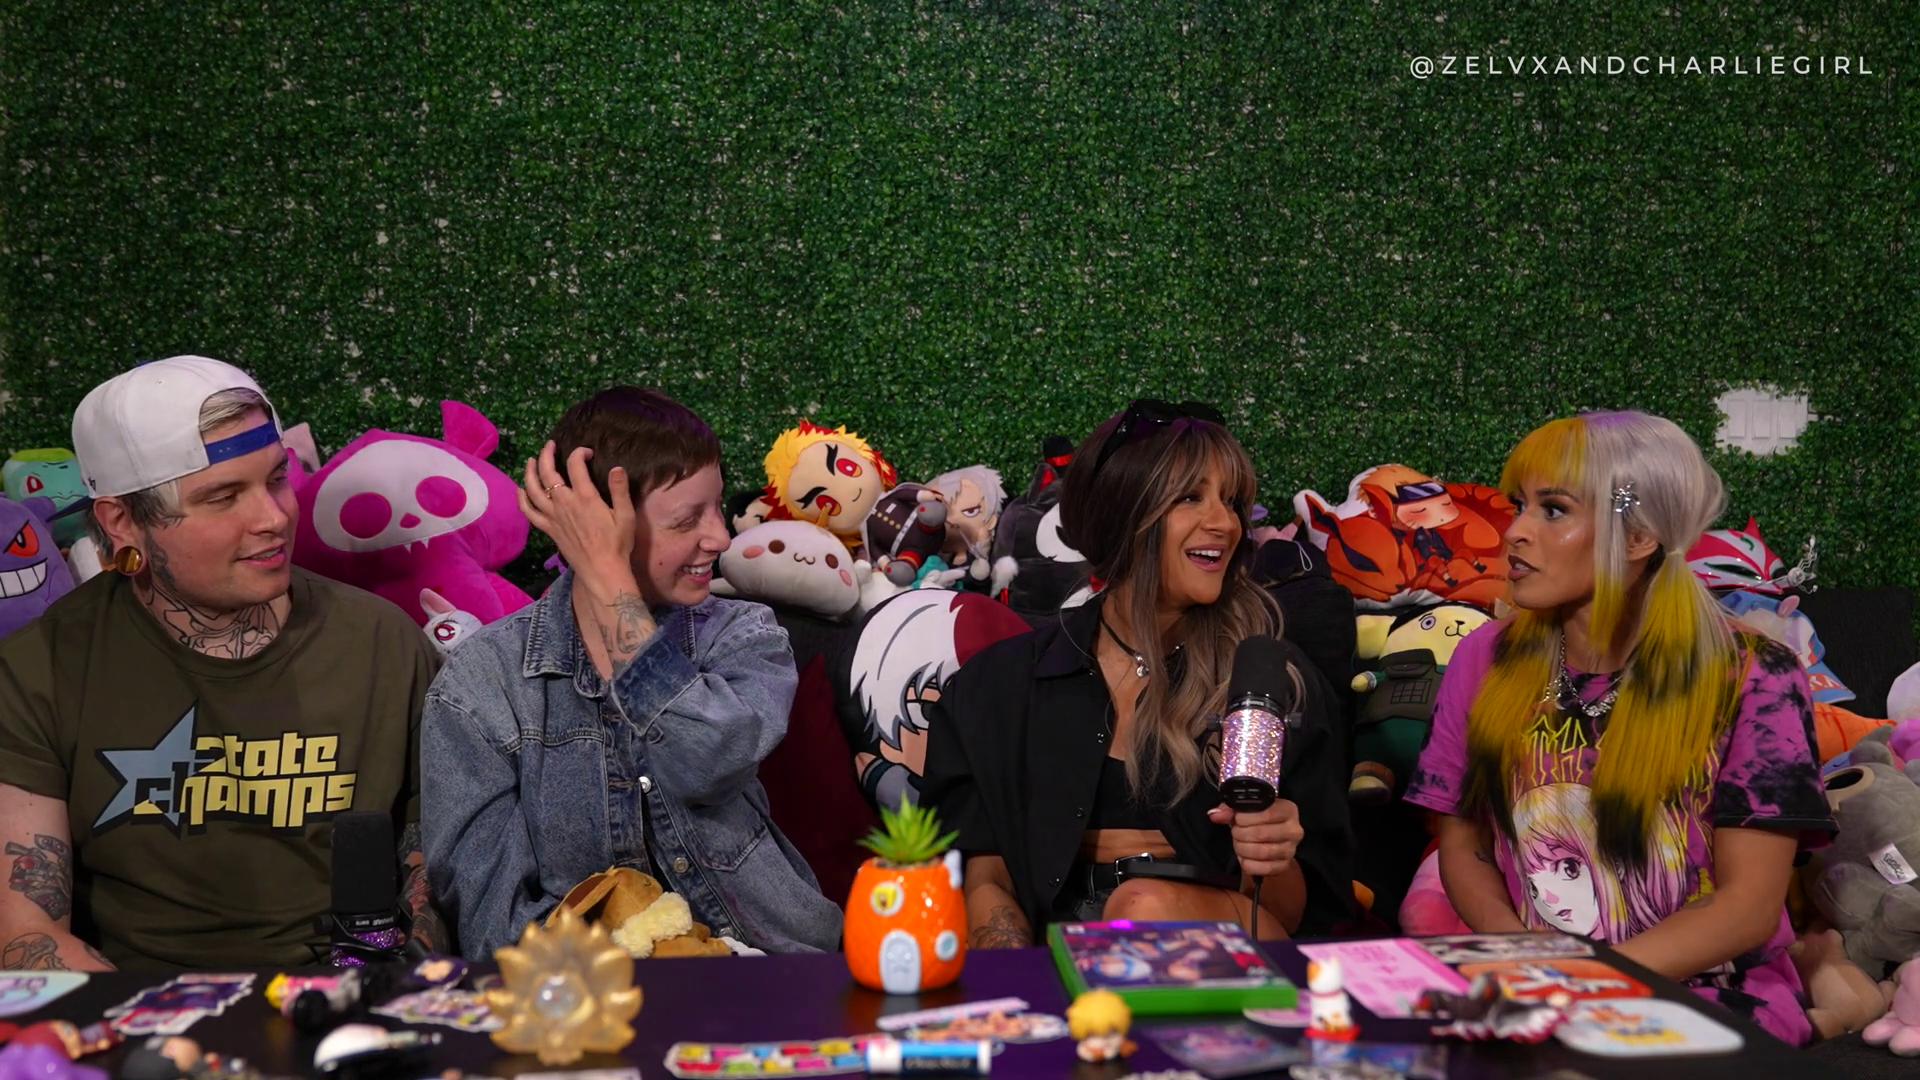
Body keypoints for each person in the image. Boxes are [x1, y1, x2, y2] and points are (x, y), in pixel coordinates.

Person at [1405, 410, 1834, 1046]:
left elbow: (1746, 907)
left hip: (1708, 992)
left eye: (1553, 510)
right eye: (1519, 505)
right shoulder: (1483, 658)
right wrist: (1524, 958)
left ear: (1638, 537)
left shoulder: (1754, 675)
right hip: (1541, 983)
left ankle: (1829, 1001)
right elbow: (1464, 844)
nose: (1515, 531)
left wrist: (1581, 983)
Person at [0, 356, 443, 970]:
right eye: (223, 496)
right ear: (122, 522)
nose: (274, 517)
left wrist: (402, 979)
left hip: (350, 1000)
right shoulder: (39, 668)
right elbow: (29, 936)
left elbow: (433, 871)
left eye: (277, 478)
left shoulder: (384, 643)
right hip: (142, 1008)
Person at [422, 386, 841, 959]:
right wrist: (605, 569)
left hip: (778, 966)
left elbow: (708, 764)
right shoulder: (479, 687)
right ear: (596, 528)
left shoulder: (744, 634)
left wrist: (611, 586)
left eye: (716, 506)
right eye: (686, 520)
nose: (720, 537)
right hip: (589, 991)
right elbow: (494, 923)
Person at [922, 399, 1355, 947]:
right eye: (1191, 497)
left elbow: (1295, 917)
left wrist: (1271, 853)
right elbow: (983, 878)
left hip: (1221, 960)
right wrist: (1020, 979)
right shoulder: (998, 687)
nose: (1224, 523)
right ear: (1123, 514)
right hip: (1059, 962)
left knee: (1141, 906)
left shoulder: (1274, 683)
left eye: (1232, 501)